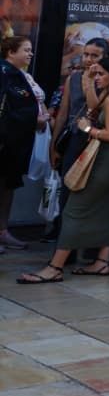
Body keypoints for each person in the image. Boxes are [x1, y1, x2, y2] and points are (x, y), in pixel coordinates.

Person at [17, 55, 109, 282]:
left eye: (101, 74)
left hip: (106, 159)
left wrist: (87, 128)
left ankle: (55, 267)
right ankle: (102, 262)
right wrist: (88, 81)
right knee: (104, 208)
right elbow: (93, 105)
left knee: (74, 209)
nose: (98, 77)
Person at [46, 37, 109, 234]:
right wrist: (54, 145)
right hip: (73, 137)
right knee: (67, 188)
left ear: (105, 57)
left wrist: (92, 82)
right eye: (86, 54)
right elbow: (64, 112)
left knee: (91, 193)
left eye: (94, 55)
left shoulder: (108, 81)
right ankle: (64, 240)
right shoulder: (73, 78)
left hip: (97, 140)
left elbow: (99, 109)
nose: (89, 59)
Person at [0, 36, 45, 253]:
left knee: (8, 186)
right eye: (26, 50)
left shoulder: (22, 75)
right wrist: (33, 120)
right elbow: (5, 111)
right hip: (4, 141)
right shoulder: (3, 73)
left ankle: (2, 231)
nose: (30, 54)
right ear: (10, 52)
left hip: (16, 145)